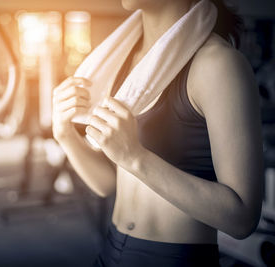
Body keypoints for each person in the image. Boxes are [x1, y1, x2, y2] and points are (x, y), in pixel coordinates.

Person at [52, 0, 264, 266]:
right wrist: (64, 134)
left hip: (175, 259)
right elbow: (105, 183)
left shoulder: (218, 64)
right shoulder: (123, 59)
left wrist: (135, 158)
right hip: (111, 250)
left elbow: (242, 218)